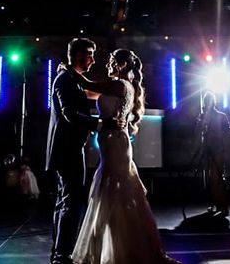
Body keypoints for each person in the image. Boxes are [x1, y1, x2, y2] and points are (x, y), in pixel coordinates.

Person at [71, 49, 178, 264]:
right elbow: (87, 91)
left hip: (115, 144)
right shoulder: (116, 87)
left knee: (114, 189)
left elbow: (89, 86)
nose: (108, 64)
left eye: (111, 61)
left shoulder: (120, 85)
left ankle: (124, 246)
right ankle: (116, 242)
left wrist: (68, 70)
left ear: (121, 65)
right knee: (112, 188)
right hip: (112, 142)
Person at [46, 39, 119, 264]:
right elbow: (70, 115)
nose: (93, 59)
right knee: (71, 202)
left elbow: (91, 91)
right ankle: (62, 254)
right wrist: (101, 124)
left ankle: (60, 252)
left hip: (70, 148)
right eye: (89, 54)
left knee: (67, 201)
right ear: (78, 55)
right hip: (66, 150)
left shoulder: (71, 79)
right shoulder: (65, 80)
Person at [197, 91, 230, 216]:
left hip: (217, 149)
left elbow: (228, 131)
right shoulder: (202, 116)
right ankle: (215, 203)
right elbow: (198, 130)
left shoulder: (221, 116)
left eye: (210, 100)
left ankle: (223, 204)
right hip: (207, 150)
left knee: (217, 178)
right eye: (206, 101)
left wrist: (218, 137)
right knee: (209, 179)